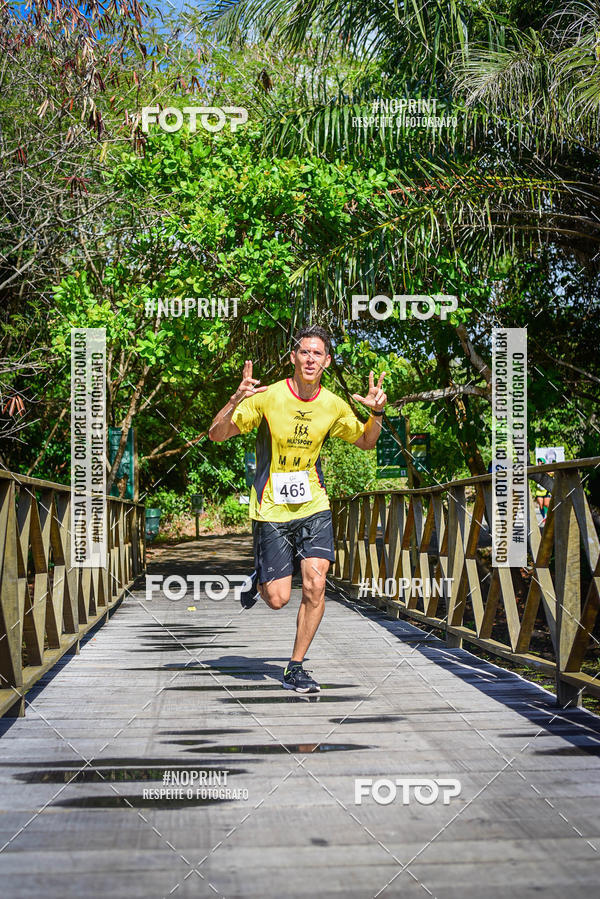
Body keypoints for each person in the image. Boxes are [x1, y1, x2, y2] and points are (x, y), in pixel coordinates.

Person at [209, 325, 387, 693]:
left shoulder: (334, 405)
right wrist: (234, 399)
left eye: (317, 354)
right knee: (277, 599)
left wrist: (378, 413)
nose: (310, 359)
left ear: (327, 361)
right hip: (272, 508)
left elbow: (367, 442)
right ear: (293, 357)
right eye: (304, 352)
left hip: (313, 504)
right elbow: (216, 434)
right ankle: (260, 576)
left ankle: (295, 666)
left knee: (315, 584)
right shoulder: (268, 397)